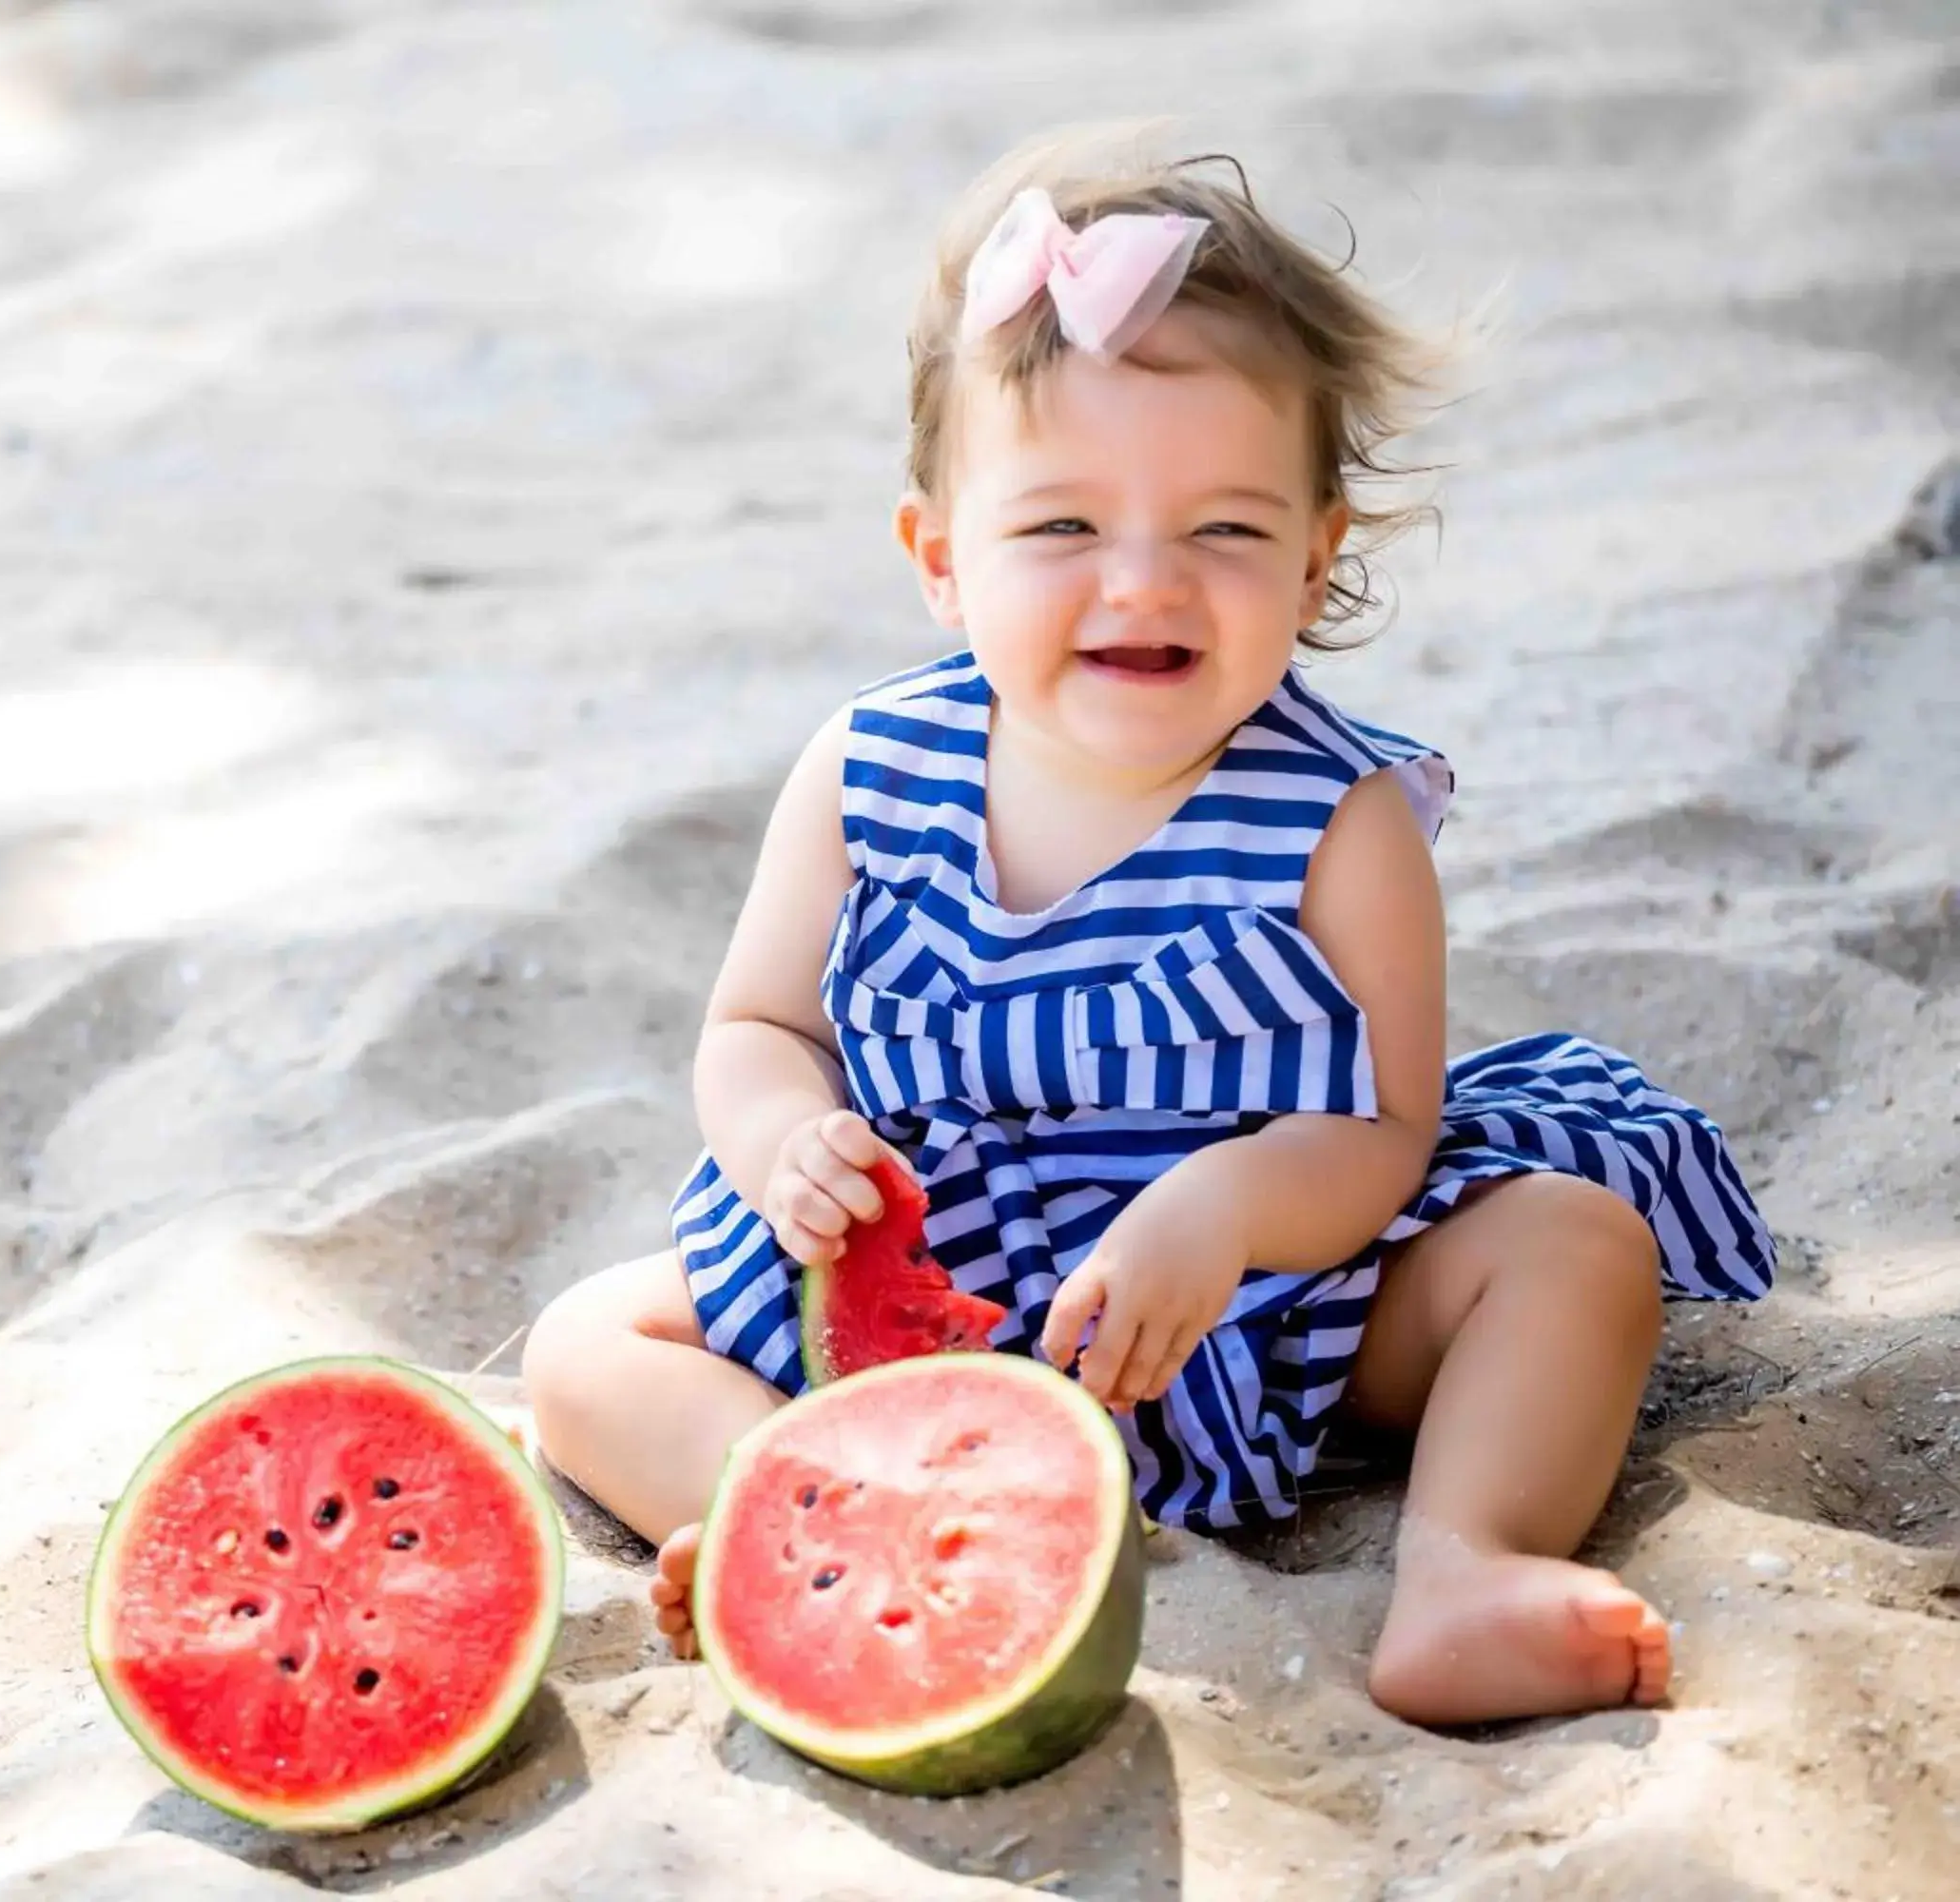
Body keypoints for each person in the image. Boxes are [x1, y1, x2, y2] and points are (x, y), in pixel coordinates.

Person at [519, 134, 1774, 1728]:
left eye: (1226, 533)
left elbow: (1388, 1126)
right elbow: (755, 1027)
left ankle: (1470, 1561)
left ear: (1316, 560)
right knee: (586, 1345)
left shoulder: (1343, 822)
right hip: (935, 1286)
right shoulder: (864, 772)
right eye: (1059, 531)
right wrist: (786, 1140)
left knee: (1573, 1248)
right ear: (938, 561)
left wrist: (1231, 1208)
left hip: (1265, 1316)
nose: (1143, 583)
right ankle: (812, 1510)